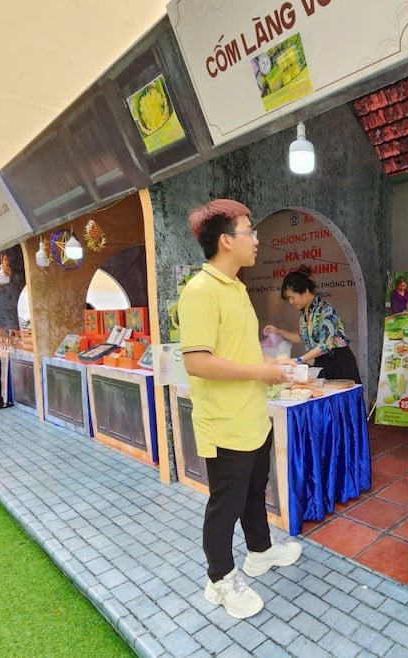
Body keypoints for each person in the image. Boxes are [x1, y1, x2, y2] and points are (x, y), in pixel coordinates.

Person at [178, 198, 302, 620]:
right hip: (224, 422)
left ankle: (261, 551)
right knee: (225, 505)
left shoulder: (236, 288)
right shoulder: (200, 291)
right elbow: (197, 361)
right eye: (250, 232)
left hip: (251, 416)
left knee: (254, 491)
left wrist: (268, 365)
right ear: (227, 241)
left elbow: (237, 352)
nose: (257, 240)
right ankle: (220, 579)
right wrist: (257, 371)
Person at [263, 265, 363, 384]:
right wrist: (279, 332)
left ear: (305, 291)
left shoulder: (325, 309)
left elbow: (325, 345)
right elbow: (302, 338)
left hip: (339, 362)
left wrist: (300, 360)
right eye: (288, 298)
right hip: (322, 362)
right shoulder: (304, 313)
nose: (291, 302)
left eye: (292, 297)